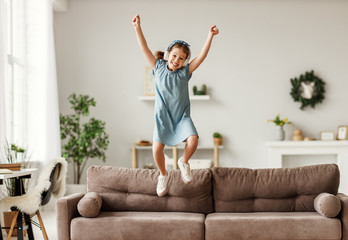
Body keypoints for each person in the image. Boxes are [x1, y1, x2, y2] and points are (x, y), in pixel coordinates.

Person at [132, 14, 219, 197]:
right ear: (167, 53)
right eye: (174, 56)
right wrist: (137, 27)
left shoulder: (185, 73)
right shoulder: (158, 68)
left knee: (193, 140)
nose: (176, 60)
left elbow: (201, 57)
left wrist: (209, 37)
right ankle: (163, 175)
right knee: (157, 150)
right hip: (163, 117)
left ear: (185, 61)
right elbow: (143, 47)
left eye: (181, 58)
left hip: (181, 117)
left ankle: (184, 162)